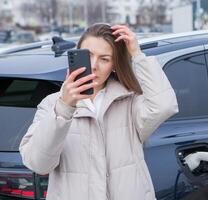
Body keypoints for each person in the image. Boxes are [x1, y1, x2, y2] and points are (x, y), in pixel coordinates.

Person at [19, 23, 178, 200]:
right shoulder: (52, 105)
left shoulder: (128, 101)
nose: (94, 65)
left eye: (104, 59)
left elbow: (165, 105)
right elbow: (39, 163)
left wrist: (137, 55)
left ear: (114, 65)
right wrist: (65, 107)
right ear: (75, 55)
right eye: (88, 56)